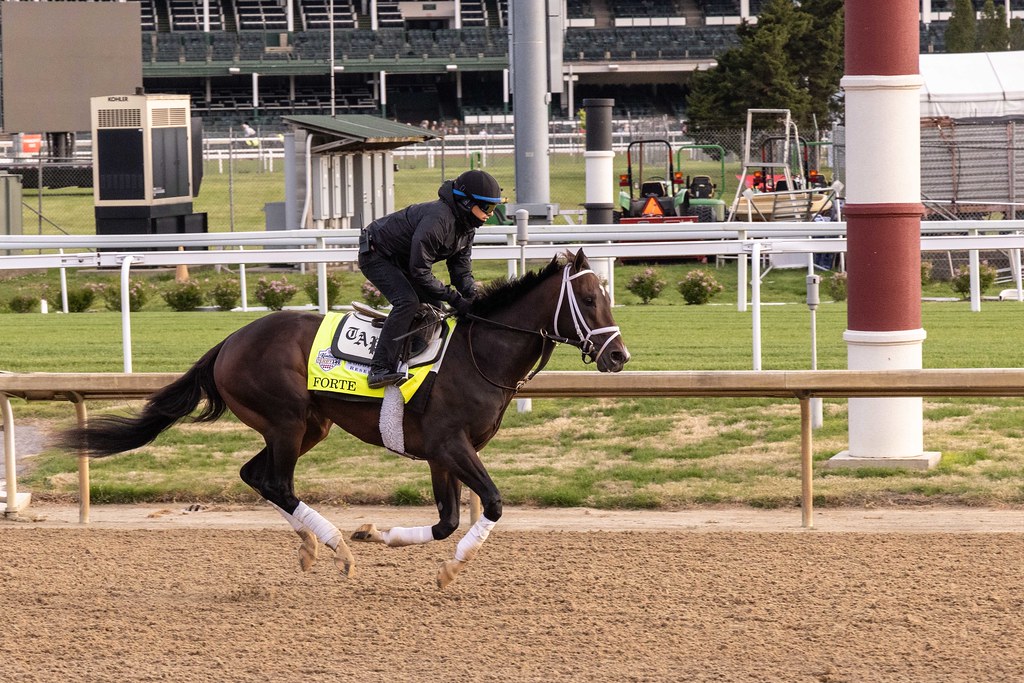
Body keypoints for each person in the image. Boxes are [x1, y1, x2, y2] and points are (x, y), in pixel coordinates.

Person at [358, 169, 503, 388]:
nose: (490, 214)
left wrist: (475, 299)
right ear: (465, 202)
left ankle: (413, 360)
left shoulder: (466, 227)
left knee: (436, 308)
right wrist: (455, 299)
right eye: (486, 207)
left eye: (493, 208)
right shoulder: (438, 220)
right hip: (377, 255)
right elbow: (420, 272)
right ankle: (380, 368)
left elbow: (461, 271)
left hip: (403, 259)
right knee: (407, 301)